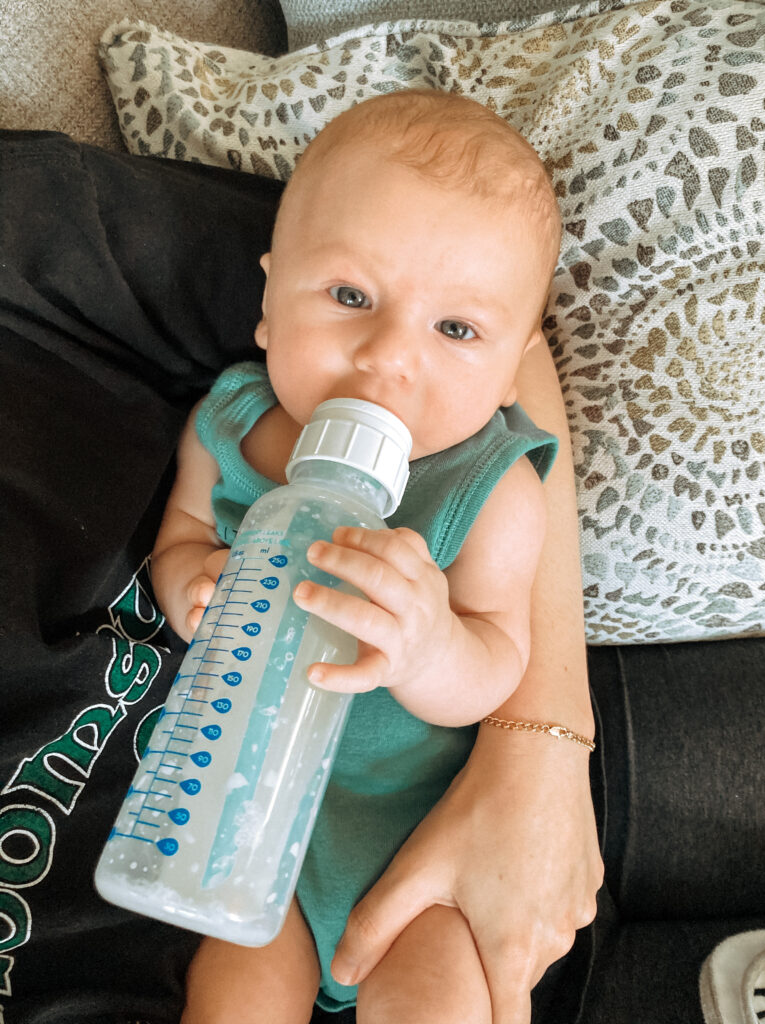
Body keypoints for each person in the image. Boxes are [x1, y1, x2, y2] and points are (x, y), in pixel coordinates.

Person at [150, 88, 599, 1024]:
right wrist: (191, 582)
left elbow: (497, 662)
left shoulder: (491, 491)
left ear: (512, 367)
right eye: (350, 297)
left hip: (422, 850)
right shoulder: (231, 427)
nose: (388, 355)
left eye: (456, 330)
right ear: (270, 301)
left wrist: (429, 647)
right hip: (245, 827)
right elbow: (183, 535)